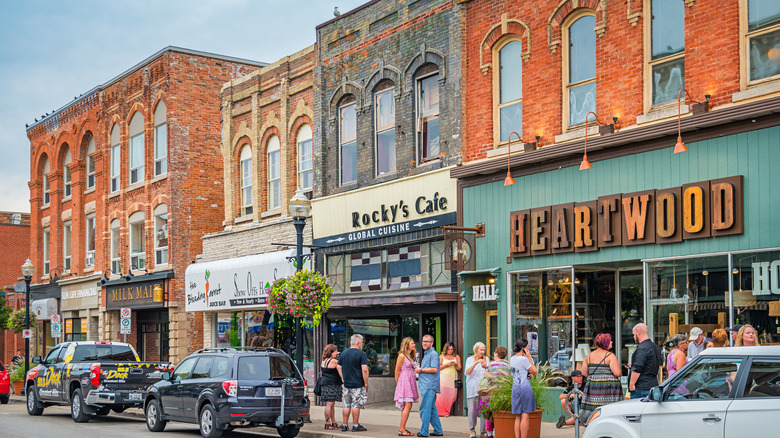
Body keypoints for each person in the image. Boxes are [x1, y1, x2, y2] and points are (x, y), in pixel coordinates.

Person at [579, 333, 622, 421]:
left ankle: (592, 422)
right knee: (608, 409)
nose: (612, 342)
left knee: (595, 409)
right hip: (608, 389)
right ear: (605, 343)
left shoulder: (589, 356)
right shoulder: (610, 356)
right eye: (610, 341)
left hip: (593, 388)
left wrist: (595, 377)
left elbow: (583, 372)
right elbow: (617, 373)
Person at [337, 334, 370, 432]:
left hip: (347, 383)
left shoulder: (344, 353)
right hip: (358, 384)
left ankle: (344, 425)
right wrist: (366, 382)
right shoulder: (361, 354)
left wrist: (343, 377)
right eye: (362, 342)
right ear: (359, 343)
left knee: (347, 404)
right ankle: (355, 426)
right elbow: (364, 369)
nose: (362, 344)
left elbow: (339, 366)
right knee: (356, 405)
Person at [414, 334, 443, 437]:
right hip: (427, 384)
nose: (425, 343)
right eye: (423, 341)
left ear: (432, 343)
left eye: (427, 341)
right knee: (431, 409)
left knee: (425, 409)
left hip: (429, 385)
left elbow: (434, 369)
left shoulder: (433, 354)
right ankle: (438, 430)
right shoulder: (427, 354)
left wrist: (420, 370)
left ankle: (424, 432)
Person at [628, 323, 662, 399]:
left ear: (638, 333)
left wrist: (631, 385)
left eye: (634, 334)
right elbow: (650, 364)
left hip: (641, 388)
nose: (633, 337)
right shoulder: (655, 347)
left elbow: (637, 368)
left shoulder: (642, 348)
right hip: (653, 384)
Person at [511, 339, 537, 438]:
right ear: (523, 348)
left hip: (515, 387)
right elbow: (534, 371)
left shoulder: (512, 358)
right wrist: (529, 357)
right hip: (525, 388)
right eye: (527, 347)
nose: (529, 348)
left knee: (518, 416)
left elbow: (520, 372)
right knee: (525, 414)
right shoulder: (524, 359)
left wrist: (528, 374)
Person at [394, 337, 419, 437]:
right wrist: (399, 385)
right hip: (404, 382)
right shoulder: (401, 356)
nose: (414, 345)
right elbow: (396, 371)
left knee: (409, 406)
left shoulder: (411, 355)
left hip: (410, 381)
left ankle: (403, 427)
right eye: (412, 343)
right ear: (407, 345)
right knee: (407, 406)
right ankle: (401, 429)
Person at [484, 346, 509, 437]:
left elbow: (486, 378)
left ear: (497, 354)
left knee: (489, 412)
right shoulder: (508, 365)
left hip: (492, 392)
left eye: (494, 353)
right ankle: (501, 431)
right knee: (501, 412)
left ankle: (490, 434)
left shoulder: (491, 365)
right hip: (503, 392)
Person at [465, 342, 488, 438]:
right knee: (472, 411)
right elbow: (467, 372)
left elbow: (489, 372)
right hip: (472, 388)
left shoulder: (486, 359)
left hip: (483, 388)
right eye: (481, 350)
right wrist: (476, 363)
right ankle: (472, 430)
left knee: (484, 410)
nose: (482, 352)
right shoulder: (470, 359)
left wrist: (486, 367)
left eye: (483, 350)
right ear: (476, 350)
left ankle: (483, 431)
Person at [320, 344, 343, 431]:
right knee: (329, 405)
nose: (337, 352)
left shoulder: (324, 360)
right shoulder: (334, 361)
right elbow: (340, 368)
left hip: (325, 384)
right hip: (332, 384)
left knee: (331, 404)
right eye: (336, 351)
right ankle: (327, 424)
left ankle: (333, 422)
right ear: (331, 352)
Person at [436, 341, 461, 417]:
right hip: (443, 378)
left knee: (452, 396)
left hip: (452, 379)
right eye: (448, 349)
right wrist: (446, 365)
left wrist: (455, 364)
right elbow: (437, 368)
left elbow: (459, 368)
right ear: (445, 349)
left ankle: (446, 411)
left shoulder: (456, 356)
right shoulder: (441, 356)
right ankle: (440, 412)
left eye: (451, 349)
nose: (450, 351)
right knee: (441, 396)